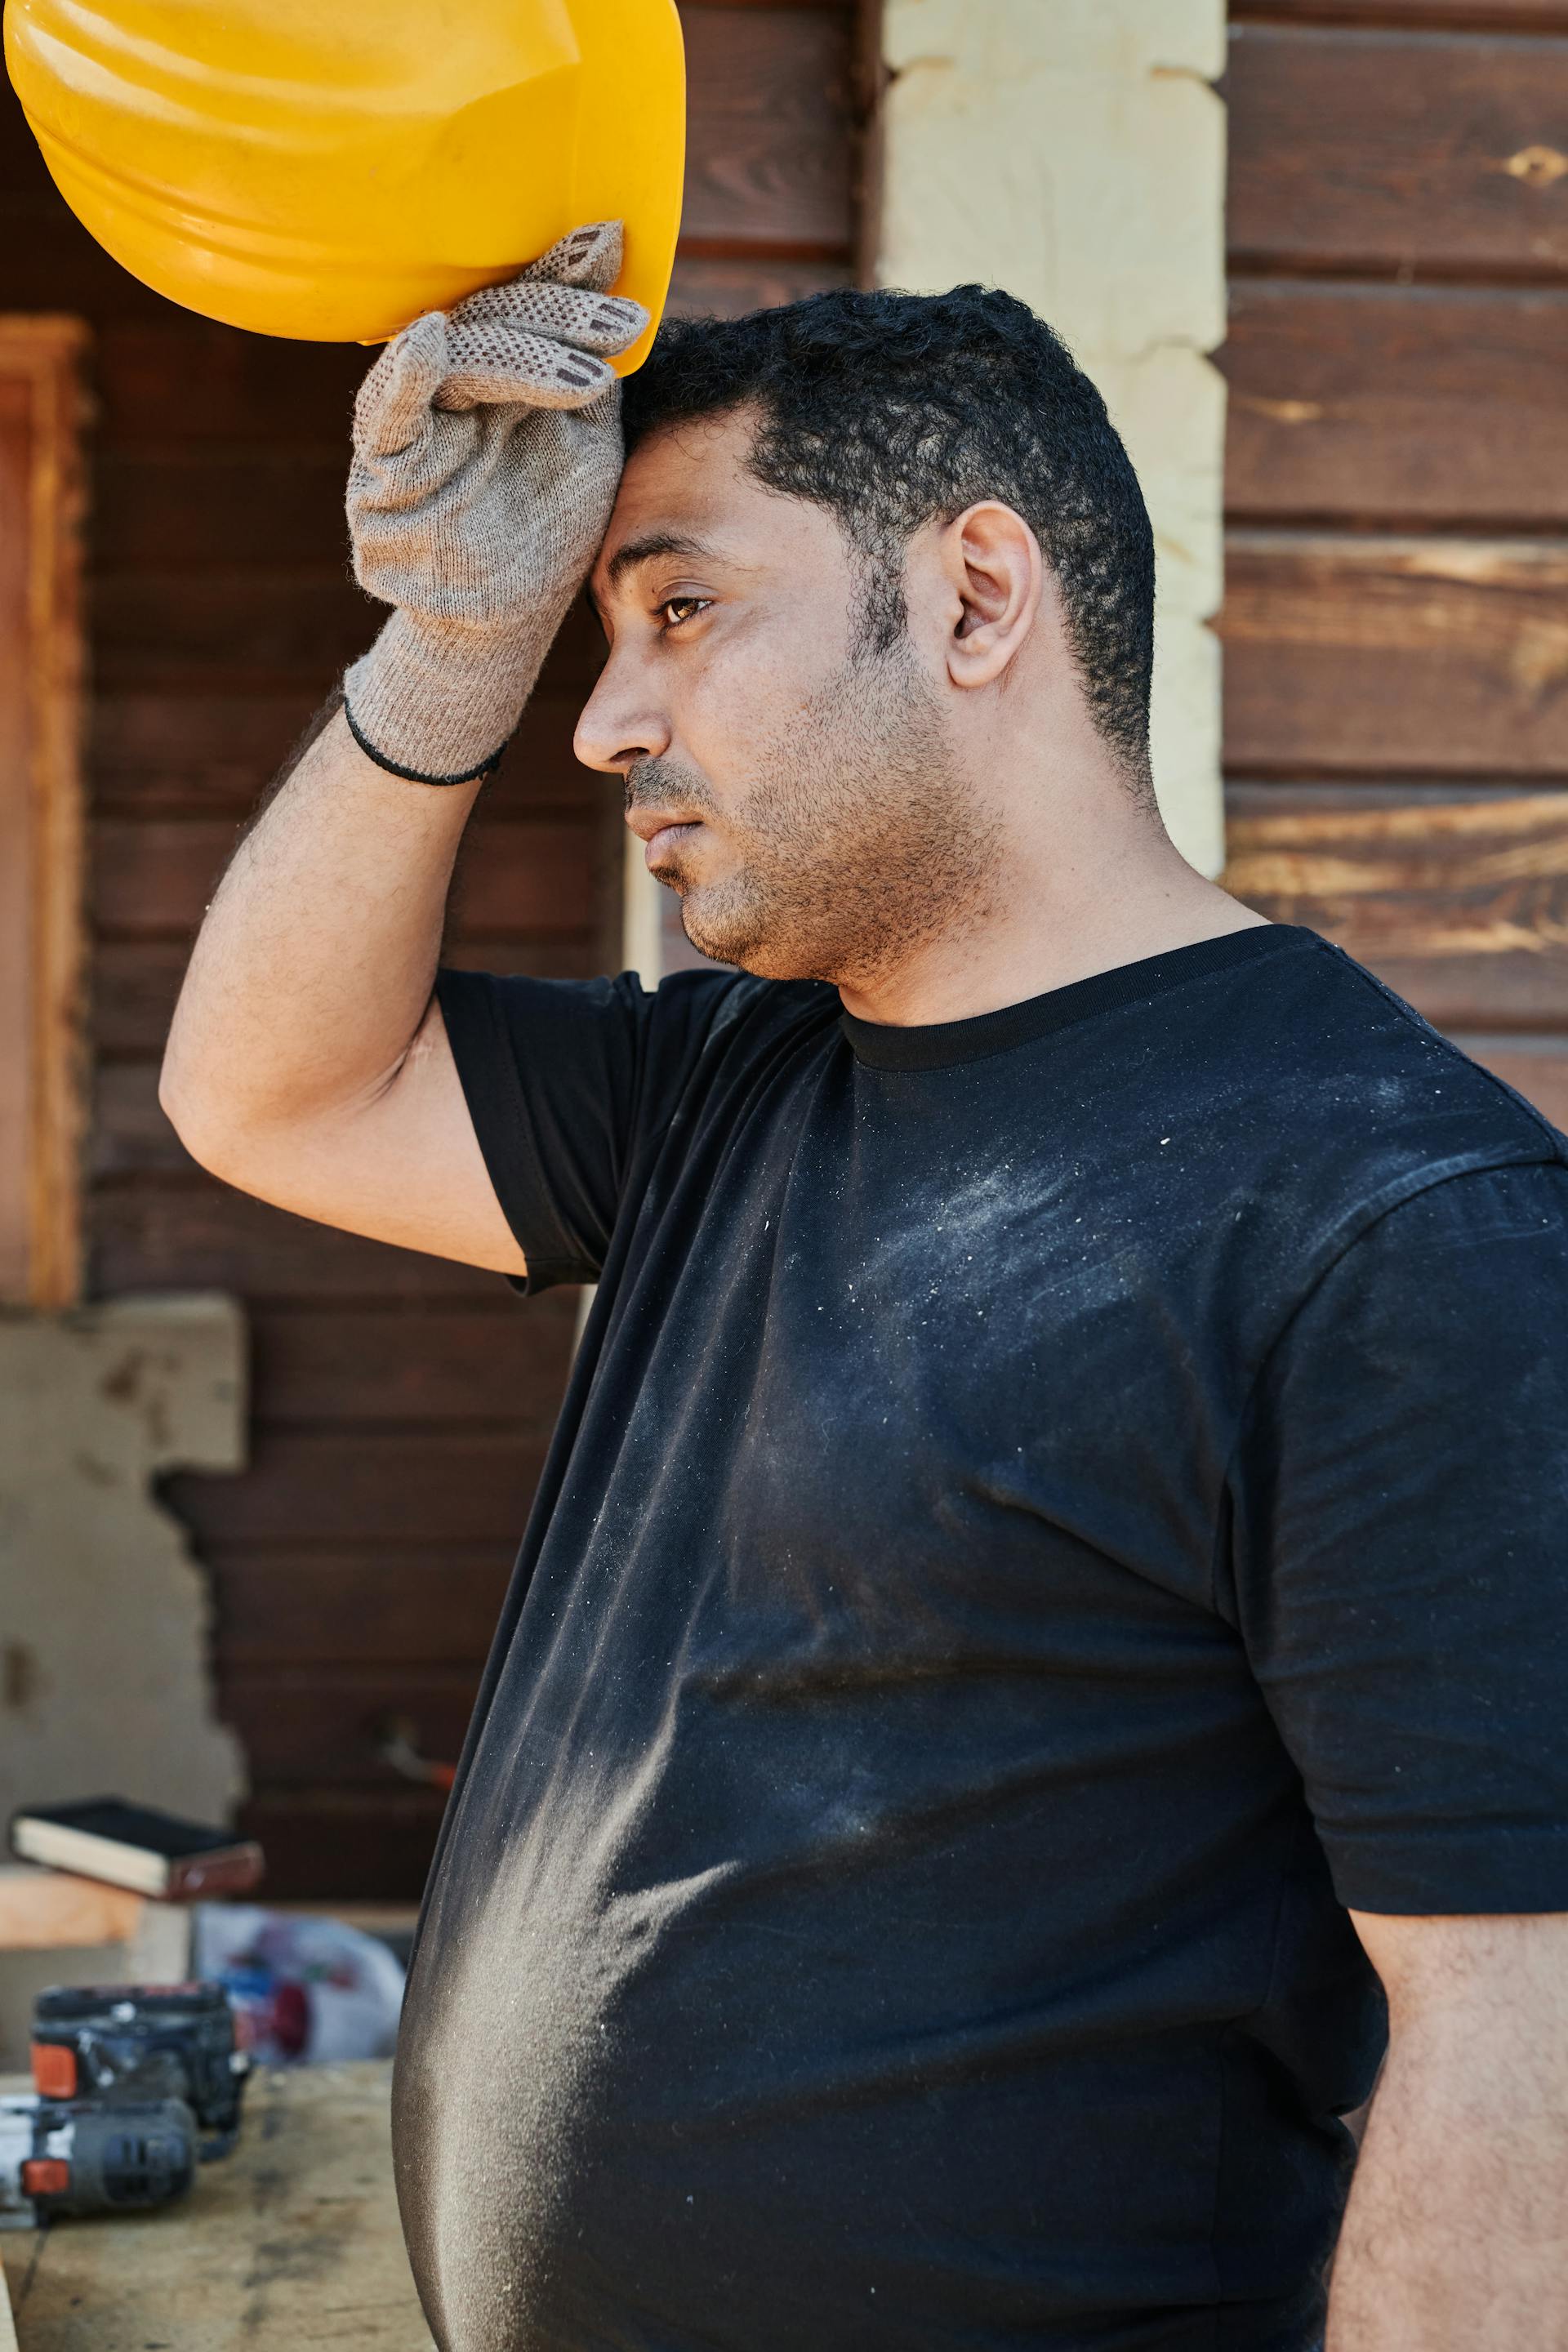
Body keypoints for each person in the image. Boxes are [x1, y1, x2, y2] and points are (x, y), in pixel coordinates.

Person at [158, 223, 1568, 2352]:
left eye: (683, 611)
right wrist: (445, 649)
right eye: (595, 634)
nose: (605, 719)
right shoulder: (731, 1078)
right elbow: (270, 1091)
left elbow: (1516, 2050)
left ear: (977, 596)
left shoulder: (1401, 1226)